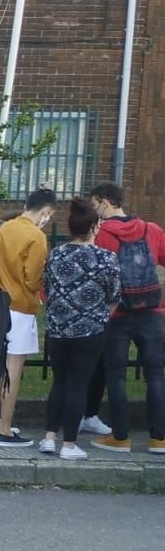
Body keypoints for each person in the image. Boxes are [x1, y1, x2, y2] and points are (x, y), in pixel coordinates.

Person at [39, 197, 120, 460]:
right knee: (78, 385)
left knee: (59, 383)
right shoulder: (106, 258)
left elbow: (47, 287)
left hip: (57, 329)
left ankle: (49, 437)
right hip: (90, 330)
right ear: (95, 227)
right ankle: (69, 444)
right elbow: (114, 294)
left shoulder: (55, 254)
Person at [89, 181, 165, 454]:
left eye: (94, 204)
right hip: (152, 313)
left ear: (105, 201)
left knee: (116, 375)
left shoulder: (101, 234)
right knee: (155, 375)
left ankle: (120, 438)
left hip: (117, 313)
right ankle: (159, 439)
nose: (93, 210)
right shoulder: (152, 230)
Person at [0, 187, 54, 446]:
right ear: (46, 211)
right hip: (21, 306)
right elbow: (32, 279)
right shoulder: (36, 236)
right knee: (13, 368)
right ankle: (5, 428)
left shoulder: (1, 227)